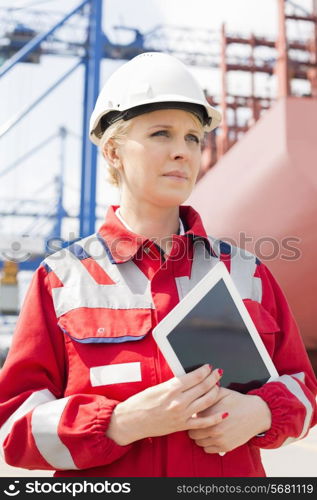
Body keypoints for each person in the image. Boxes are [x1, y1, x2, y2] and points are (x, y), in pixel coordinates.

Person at [0, 52, 316, 478]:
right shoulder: (62, 279)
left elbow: (305, 390)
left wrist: (260, 412)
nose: (182, 152)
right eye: (161, 134)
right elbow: (14, 427)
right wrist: (119, 424)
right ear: (113, 151)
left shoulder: (247, 273)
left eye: (192, 138)